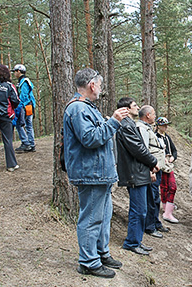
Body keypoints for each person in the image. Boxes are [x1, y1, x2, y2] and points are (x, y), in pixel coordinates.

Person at [63, 68, 128, 278]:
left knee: (103, 216)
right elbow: (90, 139)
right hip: (91, 173)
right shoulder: (78, 109)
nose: (100, 89)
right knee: (91, 218)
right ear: (92, 85)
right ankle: (88, 262)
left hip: (100, 173)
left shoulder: (88, 108)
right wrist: (114, 121)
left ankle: (101, 253)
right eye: (99, 85)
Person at [115, 98, 159, 256]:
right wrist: (153, 162)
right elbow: (138, 149)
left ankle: (136, 241)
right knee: (138, 210)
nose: (138, 108)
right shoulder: (126, 126)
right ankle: (132, 242)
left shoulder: (130, 124)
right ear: (126, 109)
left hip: (138, 171)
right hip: (133, 173)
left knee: (142, 209)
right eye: (135, 106)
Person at [135, 105, 168, 239]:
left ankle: (155, 221)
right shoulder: (142, 129)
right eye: (153, 113)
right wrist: (150, 169)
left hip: (156, 167)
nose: (155, 116)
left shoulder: (147, 128)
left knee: (155, 197)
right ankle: (149, 226)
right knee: (152, 197)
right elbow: (144, 150)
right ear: (148, 115)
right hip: (151, 169)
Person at [155, 116, 179, 224]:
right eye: (163, 125)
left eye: (166, 125)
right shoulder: (155, 136)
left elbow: (174, 150)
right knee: (164, 187)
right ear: (158, 126)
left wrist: (173, 157)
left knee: (172, 187)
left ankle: (168, 209)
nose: (166, 127)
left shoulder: (167, 137)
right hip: (161, 165)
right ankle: (166, 210)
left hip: (169, 165)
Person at [11, 64, 36, 152]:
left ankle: (26, 143)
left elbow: (23, 96)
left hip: (25, 106)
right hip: (29, 106)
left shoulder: (24, 81)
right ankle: (31, 144)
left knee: (19, 124)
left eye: (14, 71)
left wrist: (19, 106)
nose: (14, 73)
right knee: (28, 125)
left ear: (19, 71)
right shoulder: (24, 81)